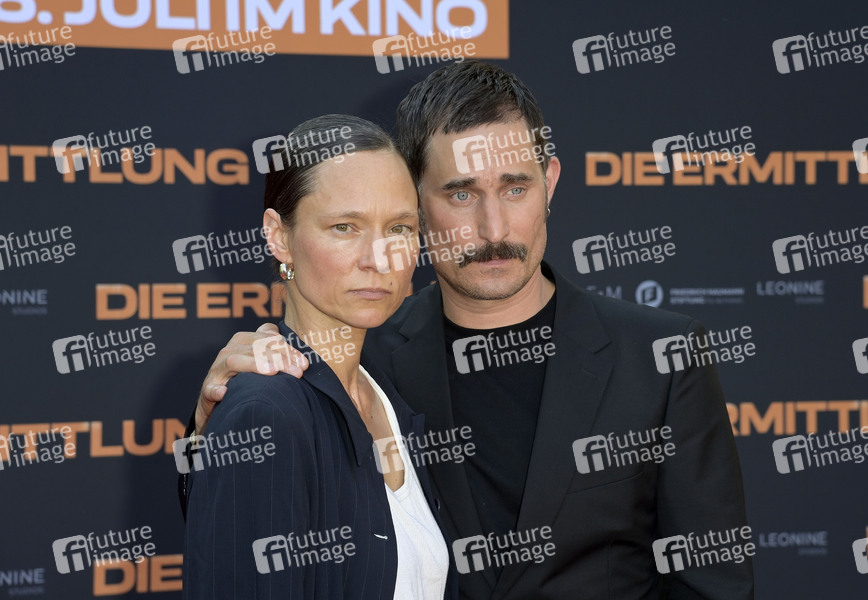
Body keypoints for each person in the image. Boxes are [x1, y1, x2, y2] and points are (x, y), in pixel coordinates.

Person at [183, 61, 754, 599]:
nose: (493, 228)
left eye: (515, 187)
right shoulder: (365, 358)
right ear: (415, 199)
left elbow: (713, 581)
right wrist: (212, 428)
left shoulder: (660, 357)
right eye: (461, 193)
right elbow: (255, 530)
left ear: (550, 183)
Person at [182, 114, 451, 600]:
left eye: (399, 228)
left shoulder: (388, 395)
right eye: (344, 227)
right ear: (278, 235)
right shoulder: (265, 412)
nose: (378, 258)